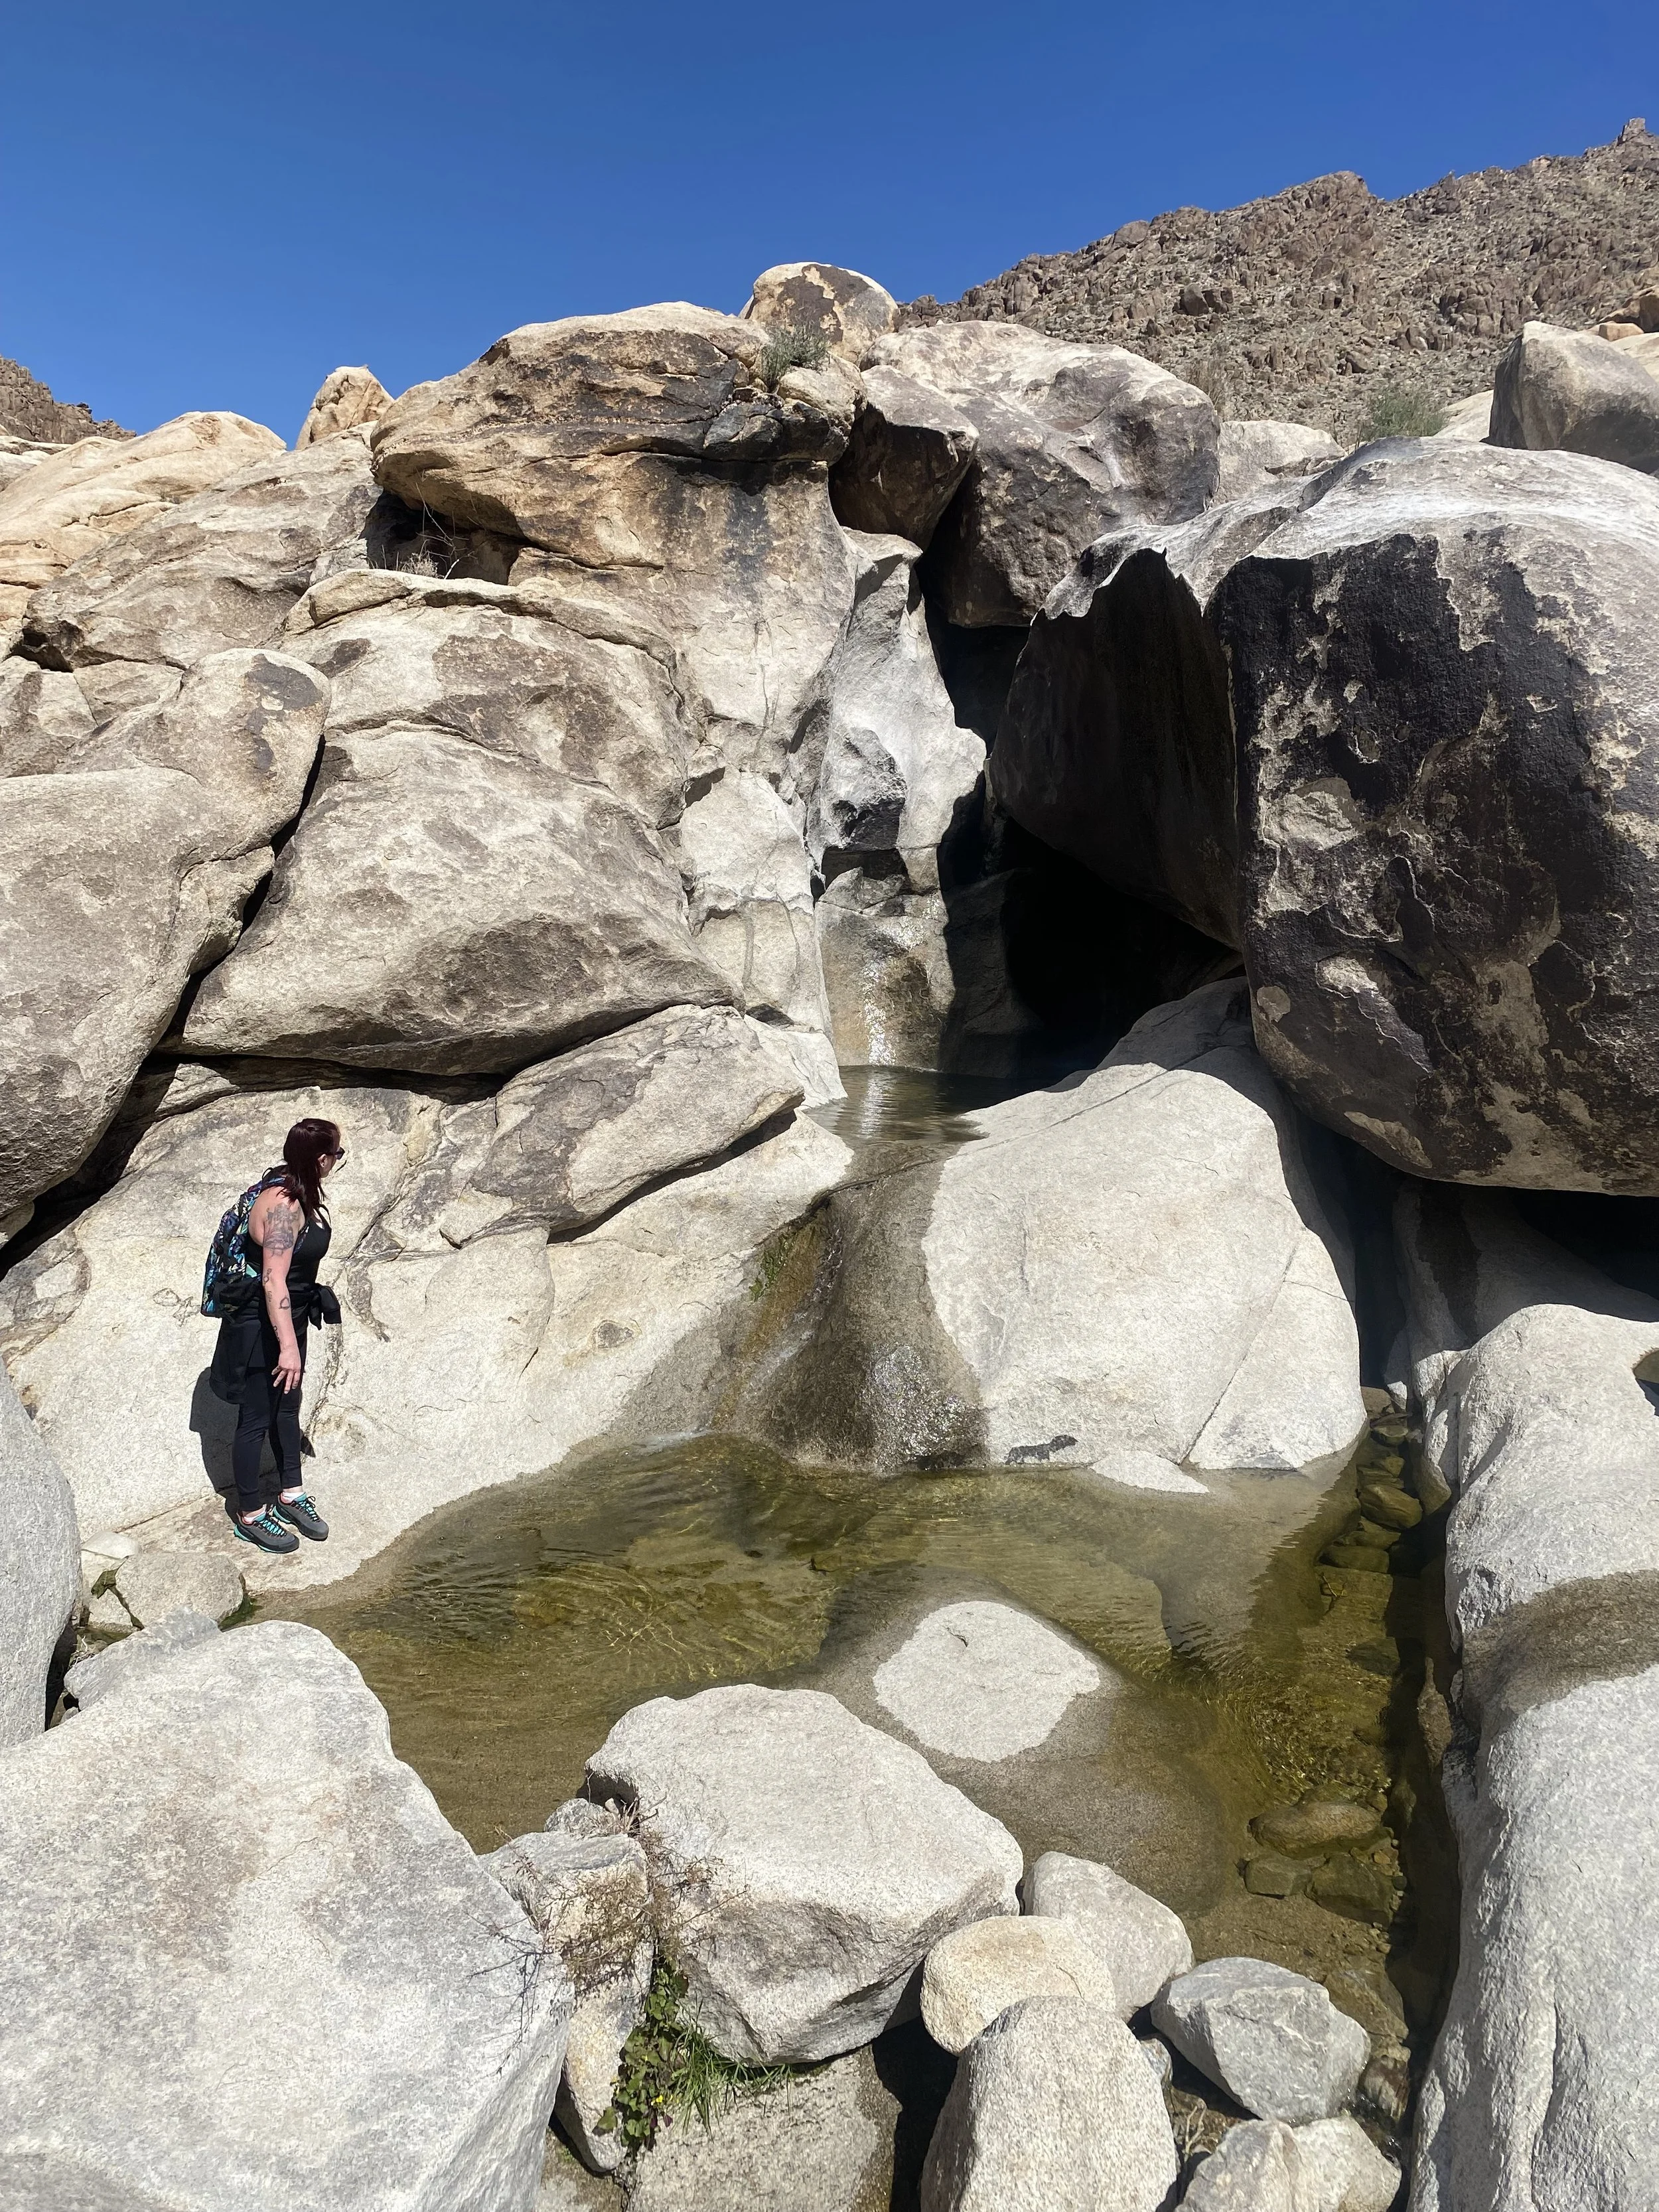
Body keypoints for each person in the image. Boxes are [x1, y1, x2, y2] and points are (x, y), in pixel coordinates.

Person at [208, 1118, 344, 1555]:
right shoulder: (283, 1204)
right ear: (321, 1159)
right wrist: (287, 1346)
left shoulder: (299, 1190)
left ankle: (290, 1494)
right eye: (337, 1155)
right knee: (255, 1419)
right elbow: (273, 1279)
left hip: (291, 1316)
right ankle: (250, 1514)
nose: (336, 1162)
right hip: (258, 1324)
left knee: (286, 1409)